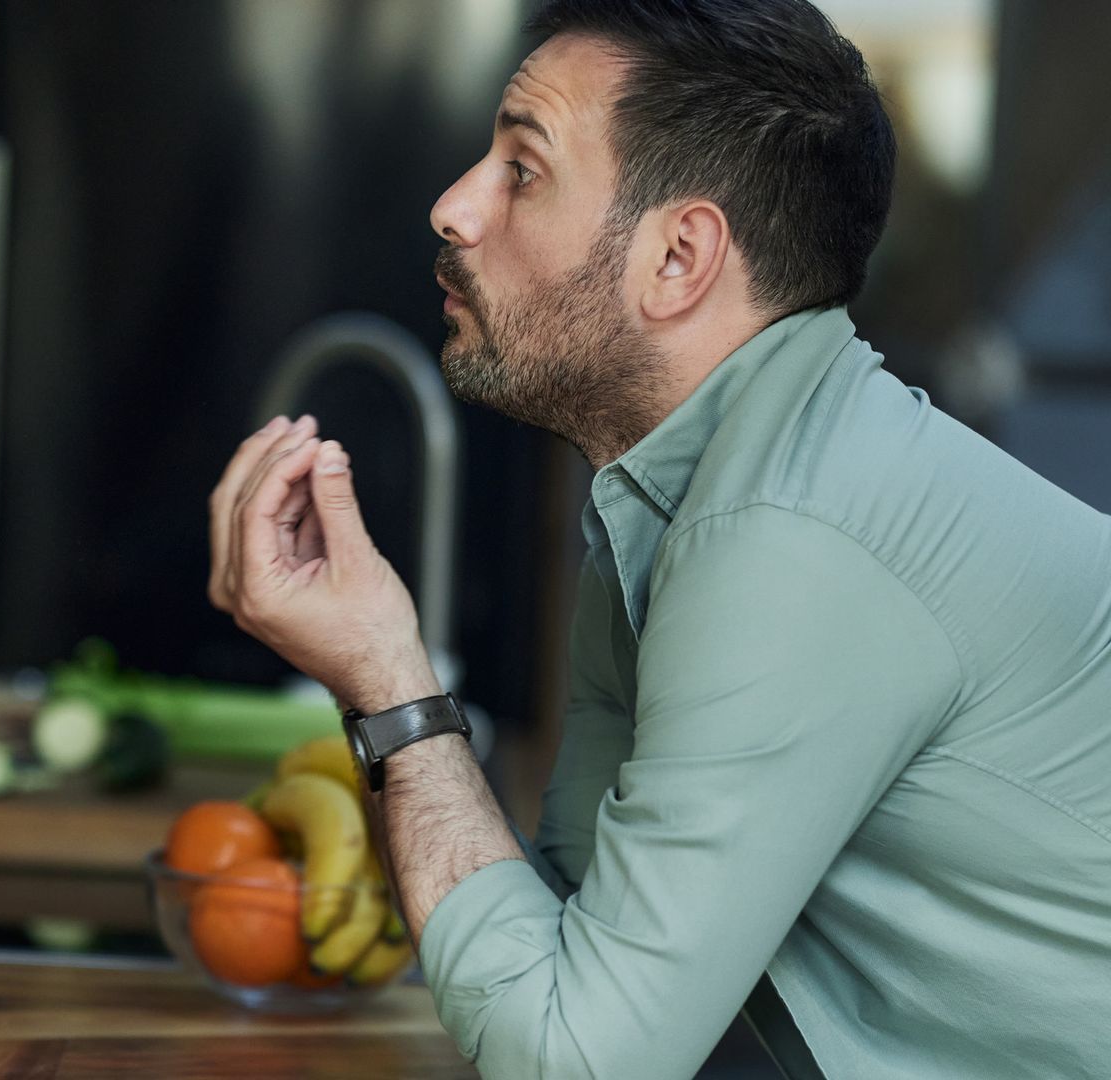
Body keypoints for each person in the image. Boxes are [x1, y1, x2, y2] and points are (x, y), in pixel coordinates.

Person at [208, 1, 1111, 1077]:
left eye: (522, 170)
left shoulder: (790, 535)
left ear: (679, 256)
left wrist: (386, 679)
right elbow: (565, 941)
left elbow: (577, 1058)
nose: (453, 206)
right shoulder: (677, 498)